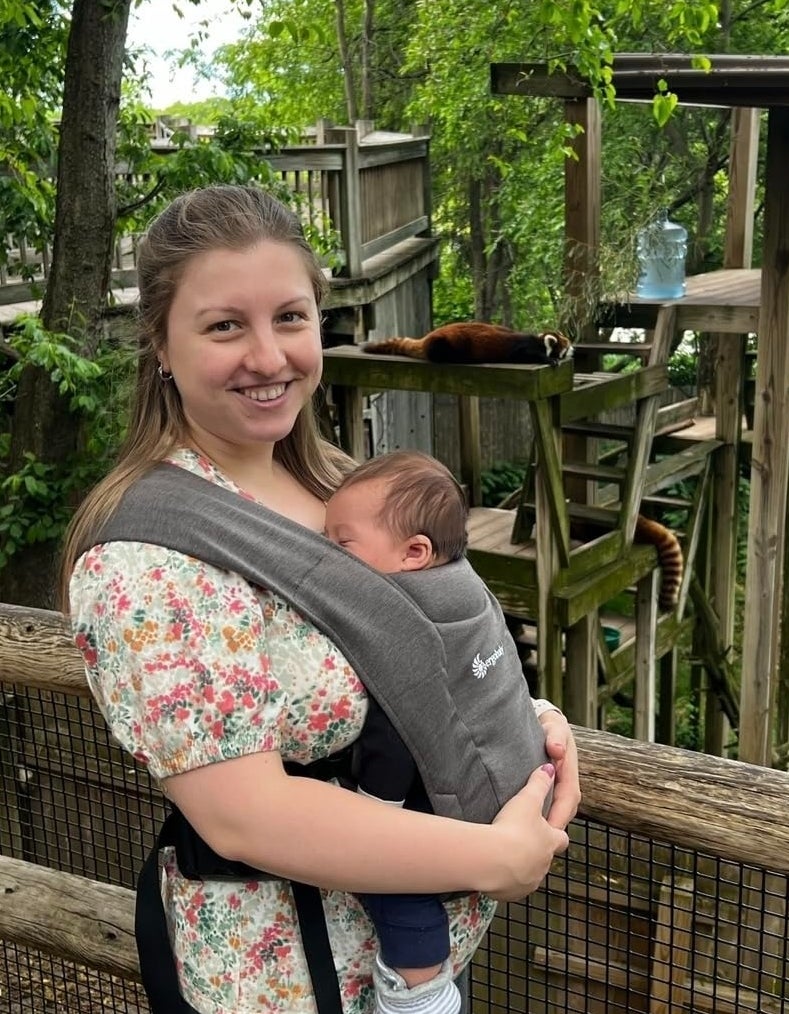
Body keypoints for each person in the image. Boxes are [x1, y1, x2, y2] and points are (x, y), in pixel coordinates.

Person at [60, 183, 581, 1014]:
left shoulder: (347, 489)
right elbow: (245, 818)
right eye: (225, 325)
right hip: (287, 978)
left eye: (290, 318)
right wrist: (492, 860)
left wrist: (530, 729)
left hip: (413, 962)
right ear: (160, 344)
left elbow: (427, 655)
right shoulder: (146, 557)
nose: (268, 357)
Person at [324, 449, 556, 1014]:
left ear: (414, 552)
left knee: (393, 872)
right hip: (518, 767)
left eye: (341, 543)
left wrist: (374, 810)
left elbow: (395, 729)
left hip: (471, 808)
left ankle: (420, 989)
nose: (325, 555)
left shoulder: (400, 623)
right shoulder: (466, 586)